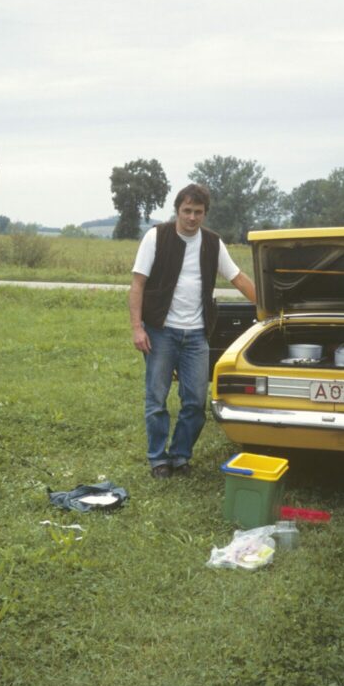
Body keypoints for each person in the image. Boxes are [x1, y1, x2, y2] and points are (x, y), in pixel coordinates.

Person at [129, 183, 257, 478]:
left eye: (198, 212)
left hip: (197, 335)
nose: (191, 218)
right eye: (186, 211)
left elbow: (237, 277)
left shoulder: (213, 243)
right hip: (160, 331)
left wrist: (267, 307)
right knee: (156, 398)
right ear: (177, 211)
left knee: (196, 402)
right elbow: (137, 284)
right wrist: (138, 328)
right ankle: (158, 459)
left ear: (204, 214)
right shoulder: (156, 237)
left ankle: (180, 456)